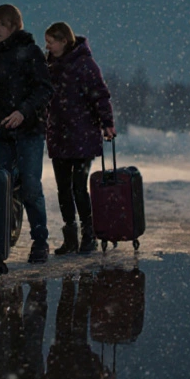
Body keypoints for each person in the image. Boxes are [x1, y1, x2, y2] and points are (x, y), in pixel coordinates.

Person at [0, 4, 53, 263]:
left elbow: (44, 90)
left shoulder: (31, 53)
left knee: (30, 186)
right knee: (0, 185)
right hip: (6, 133)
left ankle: (40, 241)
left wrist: (23, 111)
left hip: (30, 130)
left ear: (12, 25)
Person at [43, 22, 115, 255]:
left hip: (82, 135)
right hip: (59, 134)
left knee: (78, 187)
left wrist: (107, 123)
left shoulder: (84, 64)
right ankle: (71, 236)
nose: (48, 46)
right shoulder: (50, 65)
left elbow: (99, 94)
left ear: (64, 41)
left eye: (51, 42)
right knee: (63, 188)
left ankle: (88, 234)